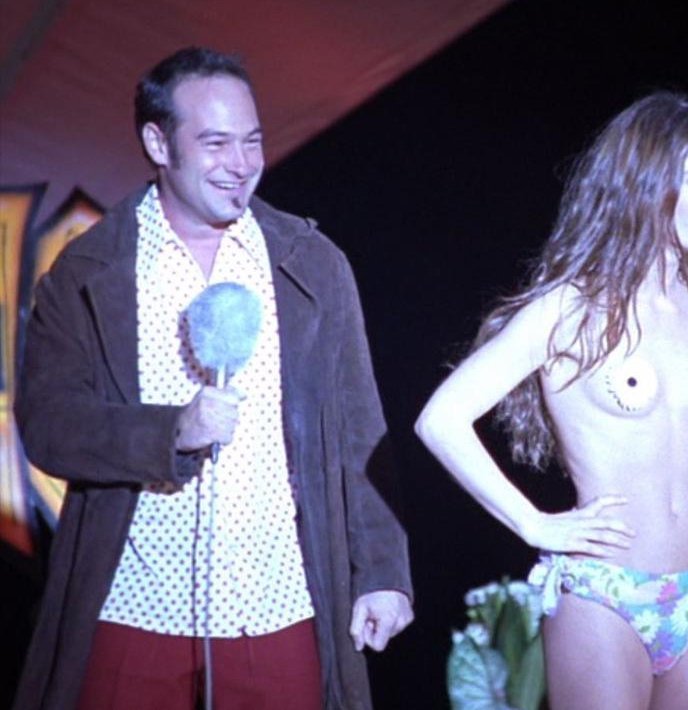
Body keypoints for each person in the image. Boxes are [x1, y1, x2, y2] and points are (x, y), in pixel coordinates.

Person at [12, 46, 412, 710]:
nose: (242, 163)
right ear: (158, 143)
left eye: (252, 141)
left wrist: (383, 572)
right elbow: (51, 427)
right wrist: (171, 432)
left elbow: (359, 431)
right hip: (135, 608)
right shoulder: (88, 272)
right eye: (216, 143)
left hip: (277, 606)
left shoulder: (310, 264)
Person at [416, 91, 688, 709]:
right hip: (606, 595)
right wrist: (533, 522)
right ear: (645, 188)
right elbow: (441, 419)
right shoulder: (569, 310)